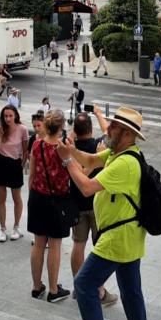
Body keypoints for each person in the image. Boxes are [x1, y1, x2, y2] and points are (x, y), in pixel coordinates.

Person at [56, 106, 149, 320]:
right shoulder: (118, 153)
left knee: (84, 285)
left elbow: (86, 187)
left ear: (128, 135)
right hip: (128, 235)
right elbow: (89, 161)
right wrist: (71, 150)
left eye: (116, 127)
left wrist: (66, 160)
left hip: (117, 237)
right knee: (131, 291)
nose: (109, 129)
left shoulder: (126, 163)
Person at [69, 110, 118, 307]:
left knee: (78, 244)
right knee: (100, 249)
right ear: (90, 128)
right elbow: (108, 132)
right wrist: (98, 113)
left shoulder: (70, 149)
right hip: (98, 206)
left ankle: (78, 285)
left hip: (77, 204)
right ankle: (99, 289)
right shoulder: (99, 146)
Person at [27, 109, 72, 303]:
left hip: (37, 197)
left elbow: (31, 175)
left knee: (38, 243)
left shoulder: (37, 145)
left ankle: (37, 287)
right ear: (61, 127)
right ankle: (54, 290)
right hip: (58, 200)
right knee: (54, 245)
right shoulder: (64, 149)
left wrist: (32, 195)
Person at [0, 104, 29, 242]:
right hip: (1, 163)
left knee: (17, 198)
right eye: (5, 116)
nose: (8, 118)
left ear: (15, 115)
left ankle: (16, 227)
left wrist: (21, 166)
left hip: (15, 164)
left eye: (10, 115)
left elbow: (25, 150)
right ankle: (2, 229)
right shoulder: (0, 129)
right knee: (1, 198)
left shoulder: (22, 129)